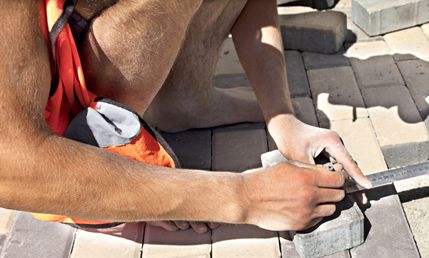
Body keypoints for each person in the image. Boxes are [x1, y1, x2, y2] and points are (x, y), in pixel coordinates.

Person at [0, 0, 371, 234]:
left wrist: (281, 118)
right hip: (62, 138)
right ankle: (113, 156)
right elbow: (9, 164)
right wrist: (241, 198)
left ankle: (183, 101)